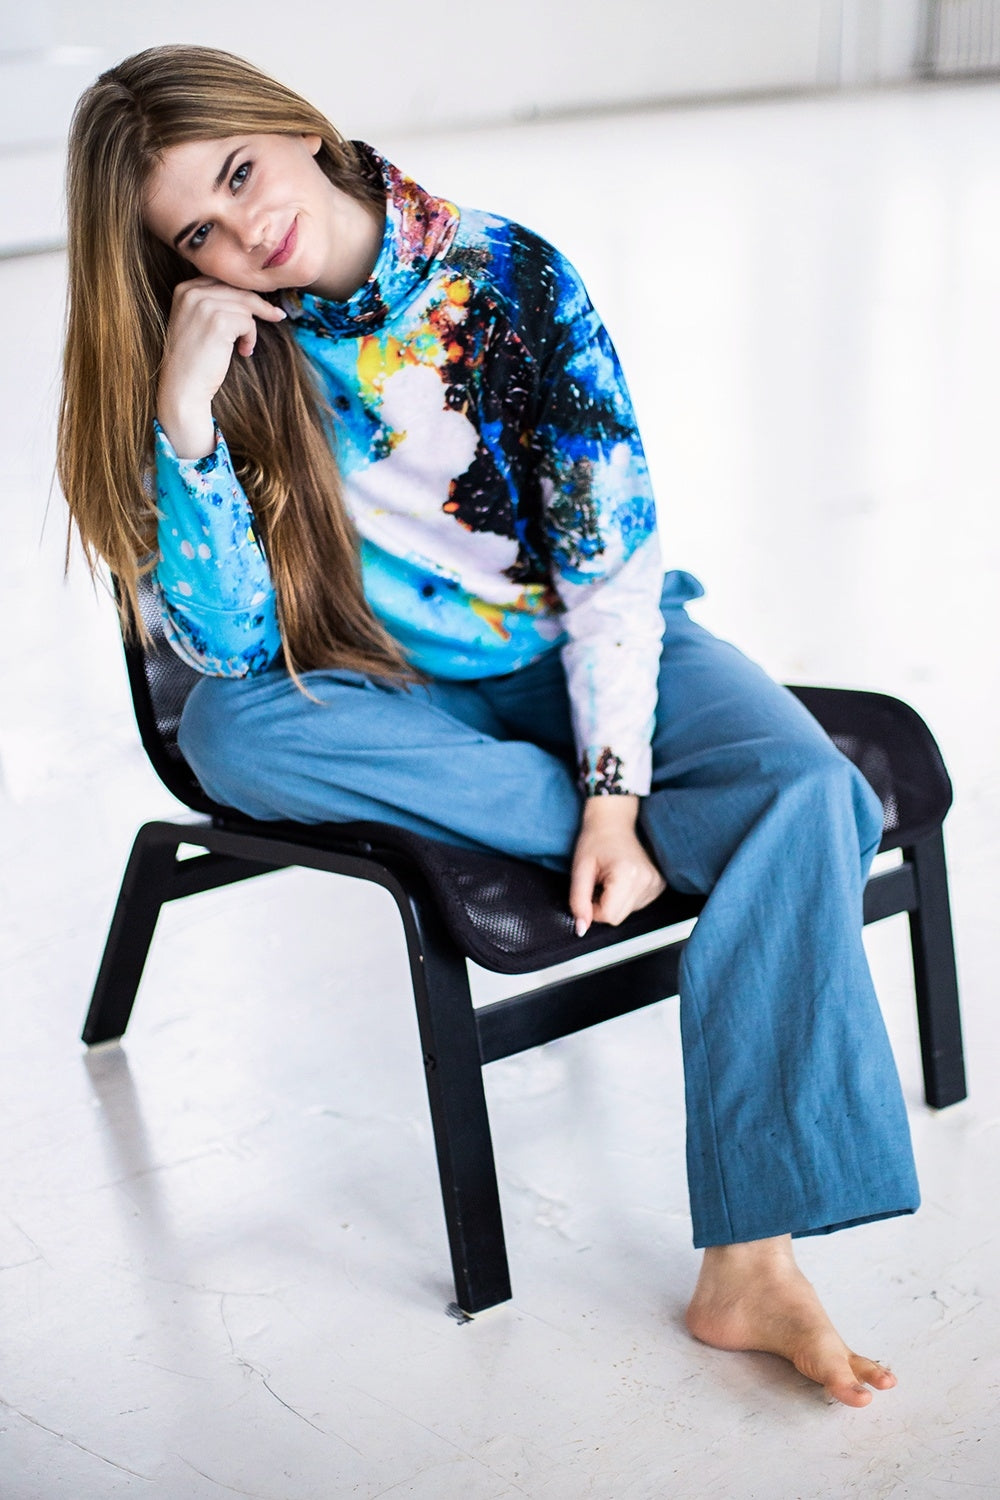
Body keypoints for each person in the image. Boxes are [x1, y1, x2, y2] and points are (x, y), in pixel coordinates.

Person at [58, 44, 920, 1407]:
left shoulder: (506, 277)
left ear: (294, 129)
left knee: (814, 793)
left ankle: (750, 1266)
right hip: (380, 692)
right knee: (232, 734)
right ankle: (636, 820)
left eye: (240, 172)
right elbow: (224, 652)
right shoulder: (220, 353)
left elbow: (611, 565)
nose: (243, 231)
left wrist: (619, 795)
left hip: (580, 643)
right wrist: (187, 420)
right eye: (197, 234)